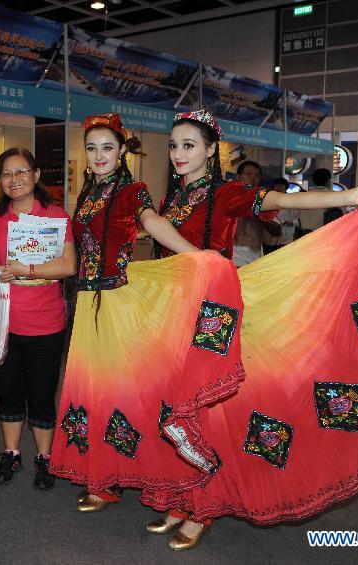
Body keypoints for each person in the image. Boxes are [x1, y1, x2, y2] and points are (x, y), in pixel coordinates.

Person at [142, 110, 358, 551]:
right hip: (173, 313)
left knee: (210, 408)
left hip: (212, 313)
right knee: (183, 406)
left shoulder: (226, 191)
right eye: (174, 146)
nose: (178, 154)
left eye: (189, 145)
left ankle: (204, 508)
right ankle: (185, 496)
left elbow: (281, 201)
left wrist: (350, 195)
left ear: (211, 150)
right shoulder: (172, 198)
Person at [48, 113, 243, 513]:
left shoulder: (134, 191)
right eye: (91, 148)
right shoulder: (86, 193)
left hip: (118, 301)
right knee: (93, 392)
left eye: (108, 147)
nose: (99, 155)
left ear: (122, 151)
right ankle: (104, 480)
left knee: (126, 393)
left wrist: (198, 256)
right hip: (87, 303)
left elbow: (152, 223)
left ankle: (162, 481)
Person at [0, 148, 76, 489]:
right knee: (8, 390)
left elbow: (68, 265)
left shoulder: (55, 216)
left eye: (21, 172)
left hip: (45, 323)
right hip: (2, 320)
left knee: (43, 393)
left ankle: (44, 458)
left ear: (35, 176)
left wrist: (26, 269)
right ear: (0, 181)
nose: (14, 179)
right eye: (6, 174)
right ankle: (11, 452)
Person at [230, 161, 281, 266]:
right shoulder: (228, 197)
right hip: (231, 260)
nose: (253, 178)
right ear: (238, 176)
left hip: (253, 261)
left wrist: (259, 217)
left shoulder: (263, 200)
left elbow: (277, 230)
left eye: (257, 175)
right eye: (248, 174)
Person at [261, 178, 298, 254]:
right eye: (276, 185)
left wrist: (289, 222)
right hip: (268, 240)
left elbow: (297, 220)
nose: (278, 187)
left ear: (286, 187)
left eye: (281, 185)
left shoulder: (291, 201)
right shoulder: (268, 200)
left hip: (284, 241)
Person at [296, 167, 332, 235]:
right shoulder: (334, 196)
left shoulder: (302, 197)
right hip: (324, 235)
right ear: (328, 181)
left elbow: (297, 217)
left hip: (304, 235)